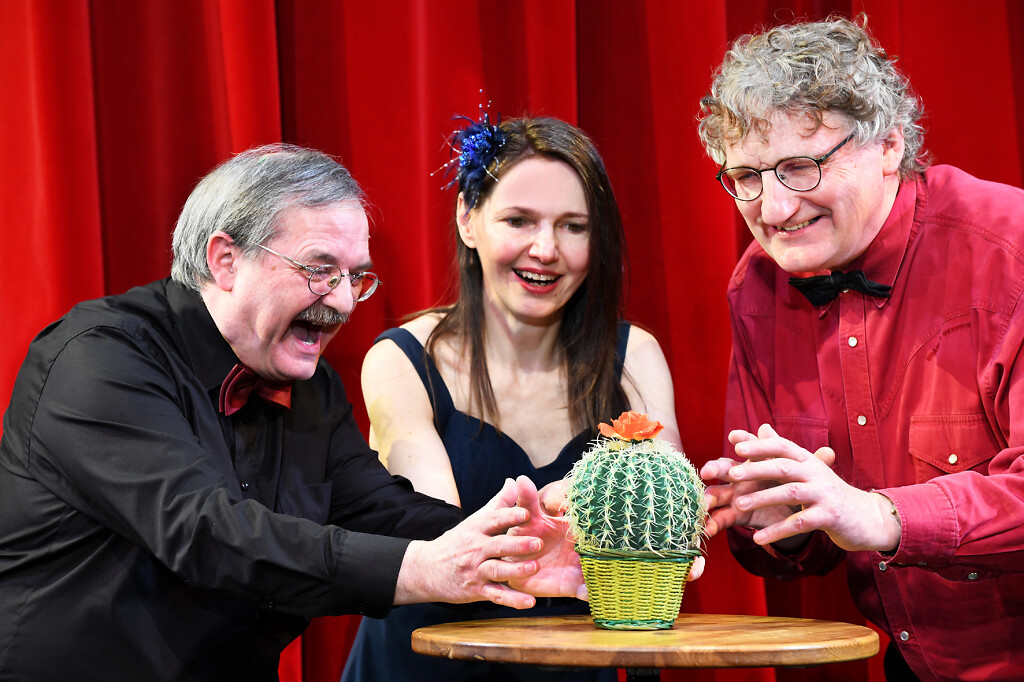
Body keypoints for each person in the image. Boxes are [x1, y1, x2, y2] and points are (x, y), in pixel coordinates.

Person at [0, 143, 587, 682]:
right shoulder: (97, 358)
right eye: (319, 270)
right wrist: (423, 570)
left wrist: (518, 544)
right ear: (226, 260)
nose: (342, 301)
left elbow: (378, 511)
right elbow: (207, 533)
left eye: (354, 277)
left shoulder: (310, 385)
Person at [695, 15, 1024, 682]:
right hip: (911, 662)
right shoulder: (757, 287)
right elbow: (802, 547)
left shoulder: (1009, 251)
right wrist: (779, 519)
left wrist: (880, 514)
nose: (774, 209)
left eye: (800, 167)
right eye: (746, 176)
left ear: (889, 143)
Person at [341, 116, 683, 681]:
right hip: (429, 664)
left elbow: (666, 517)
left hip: (575, 665)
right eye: (519, 220)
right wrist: (561, 529)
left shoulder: (634, 356)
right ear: (468, 219)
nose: (545, 250)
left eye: (573, 226)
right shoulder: (402, 359)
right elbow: (437, 536)